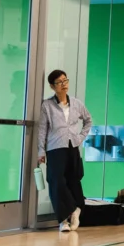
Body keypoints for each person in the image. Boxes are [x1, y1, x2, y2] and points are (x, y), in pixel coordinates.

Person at [36, 70, 92, 232]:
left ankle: (74, 212)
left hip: (72, 146)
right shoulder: (47, 105)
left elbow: (88, 121)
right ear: (52, 86)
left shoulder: (77, 103)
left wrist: (80, 137)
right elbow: (42, 130)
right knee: (55, 181)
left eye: (65, 80)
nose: (64, 84)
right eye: (59, 82)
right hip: (55, 147)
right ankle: (65, 218)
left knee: (73, 179)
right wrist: (41, 151)